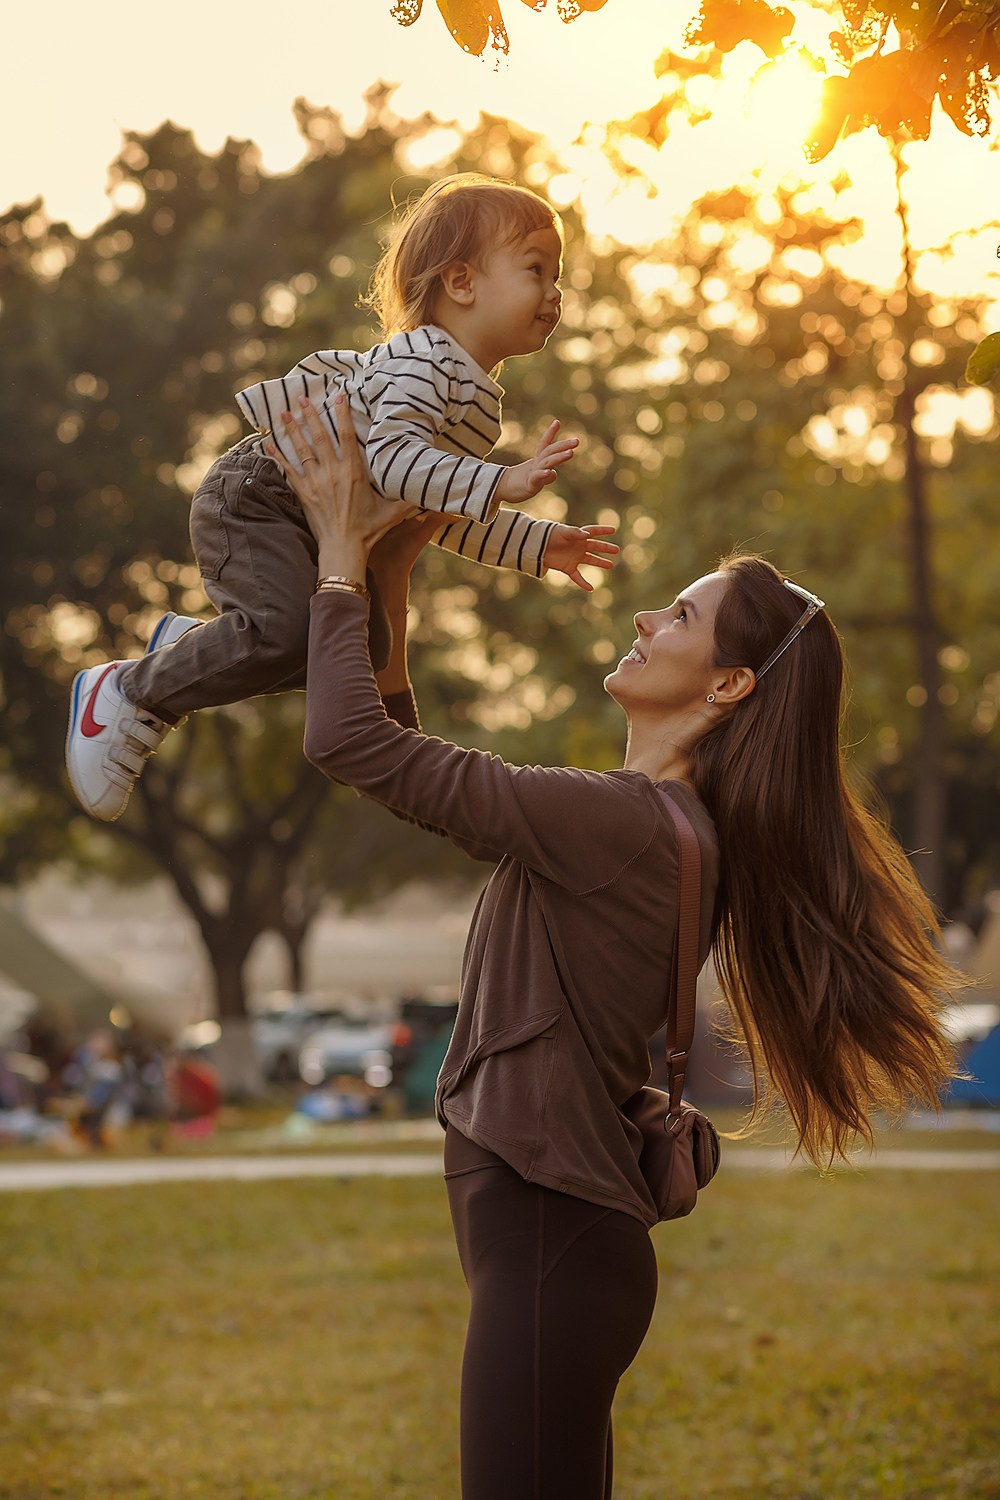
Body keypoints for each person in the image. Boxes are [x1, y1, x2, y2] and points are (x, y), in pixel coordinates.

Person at [275, 398, 957, 1500]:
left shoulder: (621, 823)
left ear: (727, 685)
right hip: (563, 1246)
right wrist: (392, 559)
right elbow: (391, 737)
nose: (643, 616)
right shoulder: (650, 824)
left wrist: (341, 554)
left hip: (553, 1243)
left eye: (680, 618)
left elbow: (346, 739)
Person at [66, 173, 617, 822]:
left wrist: (533, 541)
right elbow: (396, 464)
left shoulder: (470, 394)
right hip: (260, 497)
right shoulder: (426, 362)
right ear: (461, 282)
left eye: (559, 276)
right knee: (284, 635)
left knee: (364, 652)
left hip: (309, 517)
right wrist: (502, 479)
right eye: (536, 269)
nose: (554, 293)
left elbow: (432, 509)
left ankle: (197, 649)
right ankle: (128, 692)